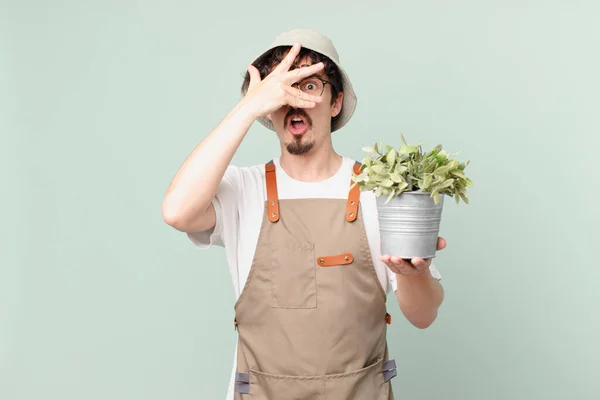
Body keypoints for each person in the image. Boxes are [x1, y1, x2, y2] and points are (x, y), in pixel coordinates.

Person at [162, 28, 445, 400]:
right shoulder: (243, 190)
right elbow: (177, 211)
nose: (294, 101)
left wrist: (415, 273)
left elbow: (423, 316)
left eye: (309, 86)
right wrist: (248, 107)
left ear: (335, 102)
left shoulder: (381, 192)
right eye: (283, 89)